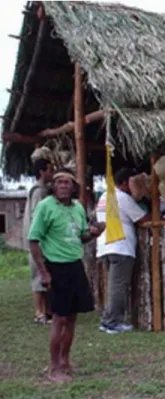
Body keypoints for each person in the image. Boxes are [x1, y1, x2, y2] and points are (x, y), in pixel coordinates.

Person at [28, 169, 105, 383]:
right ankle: (54, 367)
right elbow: (34, 240)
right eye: (59, 182)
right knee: (59, 319)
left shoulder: (78, 208)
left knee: (72, 317)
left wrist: (93, 233)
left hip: (74, 266)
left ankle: (65, 361)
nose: (63, 186)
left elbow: (80, 237)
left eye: (67, 182)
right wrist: (43, 272)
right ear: (53, 186)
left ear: (73, 187)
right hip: (55, 266)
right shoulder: (45, 207)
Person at [95, 167, 148, 334]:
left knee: (113, 285)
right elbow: (142, 219)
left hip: (106, 245)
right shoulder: (122, 197)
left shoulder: (105, 196)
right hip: (120, 246)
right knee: (118, 286)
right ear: (126, 183)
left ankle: (109, 319)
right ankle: (112, 322)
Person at [23, 158, 55, 324]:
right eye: (50, 169)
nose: (52, 173)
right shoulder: (39, 192)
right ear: (42, 172)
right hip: (38, 241)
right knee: (38, 277)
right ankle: (39, 312)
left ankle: (47, 311)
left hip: (41, 240)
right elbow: (38, 216)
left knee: (45, 277)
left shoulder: (42, 190)